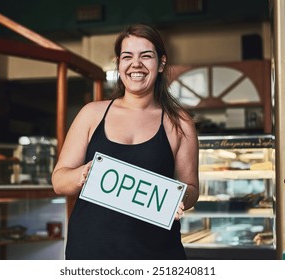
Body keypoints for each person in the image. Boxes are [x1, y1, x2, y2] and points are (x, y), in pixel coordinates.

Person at [52, 23, 199, 260]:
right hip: (92, 254)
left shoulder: (180, 123)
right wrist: (84, 174)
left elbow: (192, 189)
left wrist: (178, 197)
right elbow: (59, 181)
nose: (136, 64)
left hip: (157, 256)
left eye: (146, 56)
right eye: (127, 56)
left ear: (161, 63)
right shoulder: (92, 114)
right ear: (119, 63)